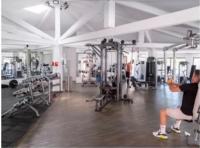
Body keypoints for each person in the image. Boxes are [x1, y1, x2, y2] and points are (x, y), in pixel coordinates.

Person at [153, 70, 200, 139]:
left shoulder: (189, 86)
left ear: (196, 77)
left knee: (163, 112)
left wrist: (169, 84)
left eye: (193, 75)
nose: (191, 77)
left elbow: (172, 89)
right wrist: (173, 83)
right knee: (179, 106)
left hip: (186, 113)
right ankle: (176, 127)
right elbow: (182, 86)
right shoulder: (197, 87)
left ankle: (162, 133)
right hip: (195, 114)